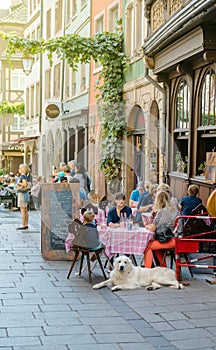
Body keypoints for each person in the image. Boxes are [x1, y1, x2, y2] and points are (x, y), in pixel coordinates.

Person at [144, 190, 179, 268]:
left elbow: (152, 228)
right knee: (156, 246)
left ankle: (147, 270)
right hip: (176, 238)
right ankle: (163, 267)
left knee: (148, 246)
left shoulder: (161, 212)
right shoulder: (175, 211)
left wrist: (146, 226)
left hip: (169, 240)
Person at [16, 164, 30, 230]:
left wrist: (18, 183)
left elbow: (24, 184)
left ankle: (23, 224)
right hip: (26, 194)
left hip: (22, 194)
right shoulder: (26, 176)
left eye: (19, 168)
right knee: (25, 209)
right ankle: (26, 224)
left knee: (23, 209)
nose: (18, 169)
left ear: (22, 169)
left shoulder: (22, 176)